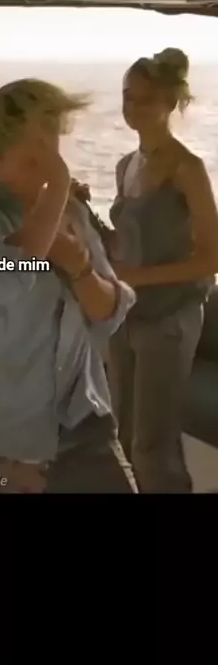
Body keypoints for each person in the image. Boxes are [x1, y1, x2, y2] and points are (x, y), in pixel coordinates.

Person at [0, 78, 137, 493]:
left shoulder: (70, 212)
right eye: (45, 138)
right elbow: (6, 283)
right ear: (5, 140)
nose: (54, 151)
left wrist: (79, 268)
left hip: (84, 425)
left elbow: (109, 315)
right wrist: (58, 187)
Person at [106, 48, 218, 493]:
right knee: (121, 435)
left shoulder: (188, 168)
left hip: (170, 319)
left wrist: (135, 278)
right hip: (126, 314)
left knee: (153, 447)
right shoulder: (125, 165)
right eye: (128, 96)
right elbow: (130, 245)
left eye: (146, 98)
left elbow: (212, 258)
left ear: (170, 102)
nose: (133, 107)